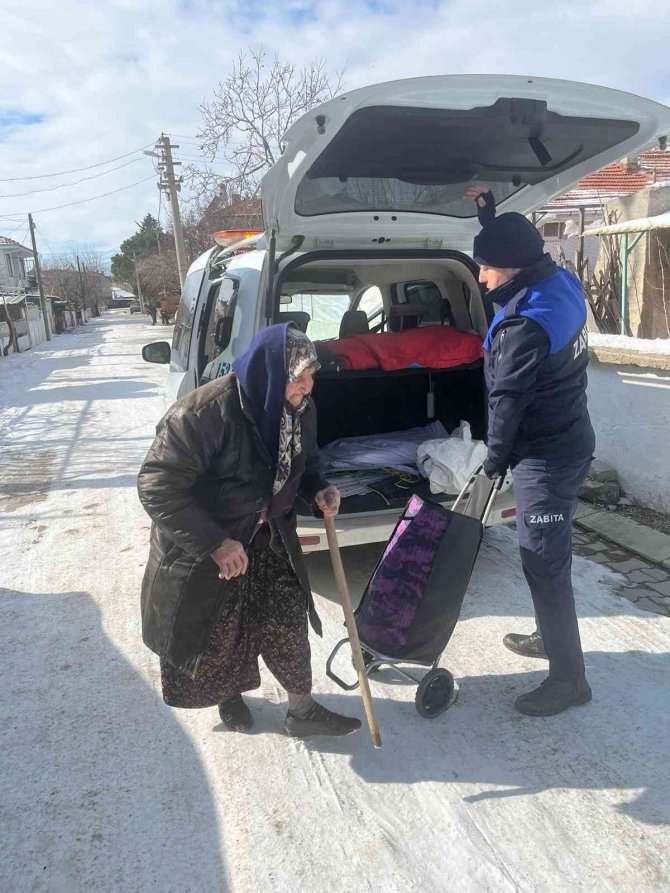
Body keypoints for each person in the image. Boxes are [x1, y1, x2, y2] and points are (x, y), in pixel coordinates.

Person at [137, 323, 361, 738]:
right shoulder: (204, 412)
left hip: (268, 533)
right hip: (212, 540)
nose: (309, 388)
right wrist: (215, 542)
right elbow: (156, 484)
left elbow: (305, 462)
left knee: (286, 617)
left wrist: (318, 488)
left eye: (313, 376)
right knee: (223, 628)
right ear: (270, 376)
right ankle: (229, 694)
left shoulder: (299, 408)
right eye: (300, 378)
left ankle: (302, 710)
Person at [469, 187, 595, 717]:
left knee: (543, 561)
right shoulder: (560, 281)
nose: (480, 279)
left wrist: (493, 461)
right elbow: (518, 254)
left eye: (487, 269)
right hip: (571, 438)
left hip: (544, 456)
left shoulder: (523, 328)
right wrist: (489, 219)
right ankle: (551, 638)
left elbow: (506, 402)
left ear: (512, 268)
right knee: (544, 556)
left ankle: (569, 680)